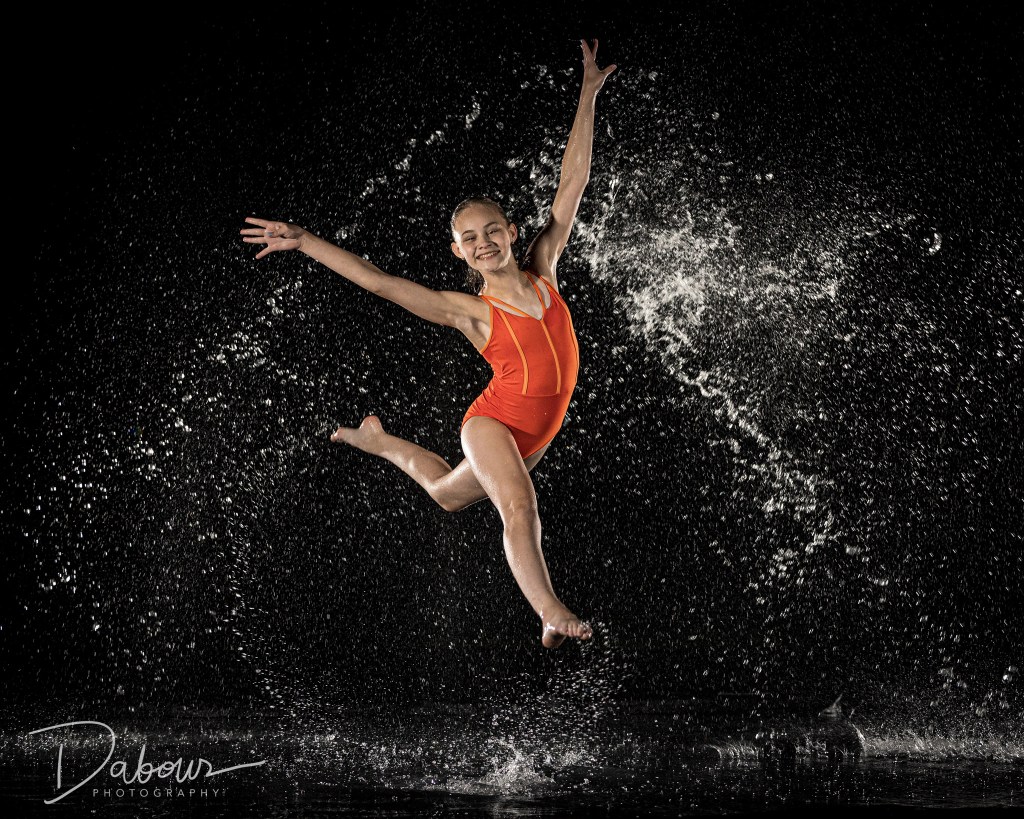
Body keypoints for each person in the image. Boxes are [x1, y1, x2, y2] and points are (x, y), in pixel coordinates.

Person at [241, 39, 616, 649]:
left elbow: (572, 186)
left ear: (512, 231)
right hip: (493, 425)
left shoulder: (545, 269)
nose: (484, 241)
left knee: (447, 495)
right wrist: (305, 241)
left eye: (493, 229)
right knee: (518, 506)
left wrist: (588, 93)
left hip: (536, 435)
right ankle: (550, 612)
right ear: (459, 253)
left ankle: (379, 442)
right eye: (470, 238)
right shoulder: (471, 310)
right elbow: (383, 284)